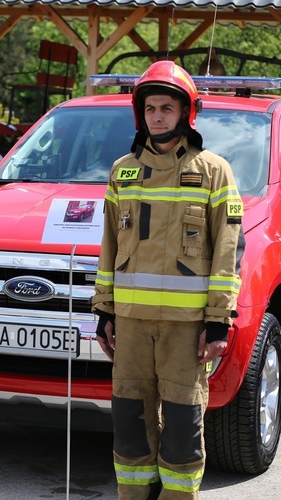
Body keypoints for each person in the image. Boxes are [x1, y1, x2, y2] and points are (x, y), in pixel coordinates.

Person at [92, 60, 244, 499]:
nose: (158, 115)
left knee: (181, 429)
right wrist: (104, 309)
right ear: (141, 114)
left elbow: (228, 251)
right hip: (132, 327)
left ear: (185, 113)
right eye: (151, 107)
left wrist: (218, 322)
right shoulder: (122, 170)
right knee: (130, 426)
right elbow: (108, 245)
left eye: (167, 107)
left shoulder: (214, 171)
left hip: (186, 332)